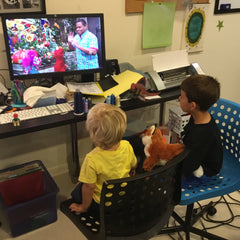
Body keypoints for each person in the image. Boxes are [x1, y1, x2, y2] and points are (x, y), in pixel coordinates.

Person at [69, 103, 137, 217]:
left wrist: (84, 207)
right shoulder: (127, 145)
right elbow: (133, 166)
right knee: (83, 183)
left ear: (93, 133)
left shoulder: (91, 159)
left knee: (78, 189)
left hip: (102, 204)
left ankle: (85, 204)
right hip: (123, 197)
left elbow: (89, 187)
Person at [179, 74, 223, 178]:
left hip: (205, 170)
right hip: (195, 155)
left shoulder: (201, 134)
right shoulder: (198, 117)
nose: (179, 98)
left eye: (182, 97)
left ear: (192, 105)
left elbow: (190, 165)